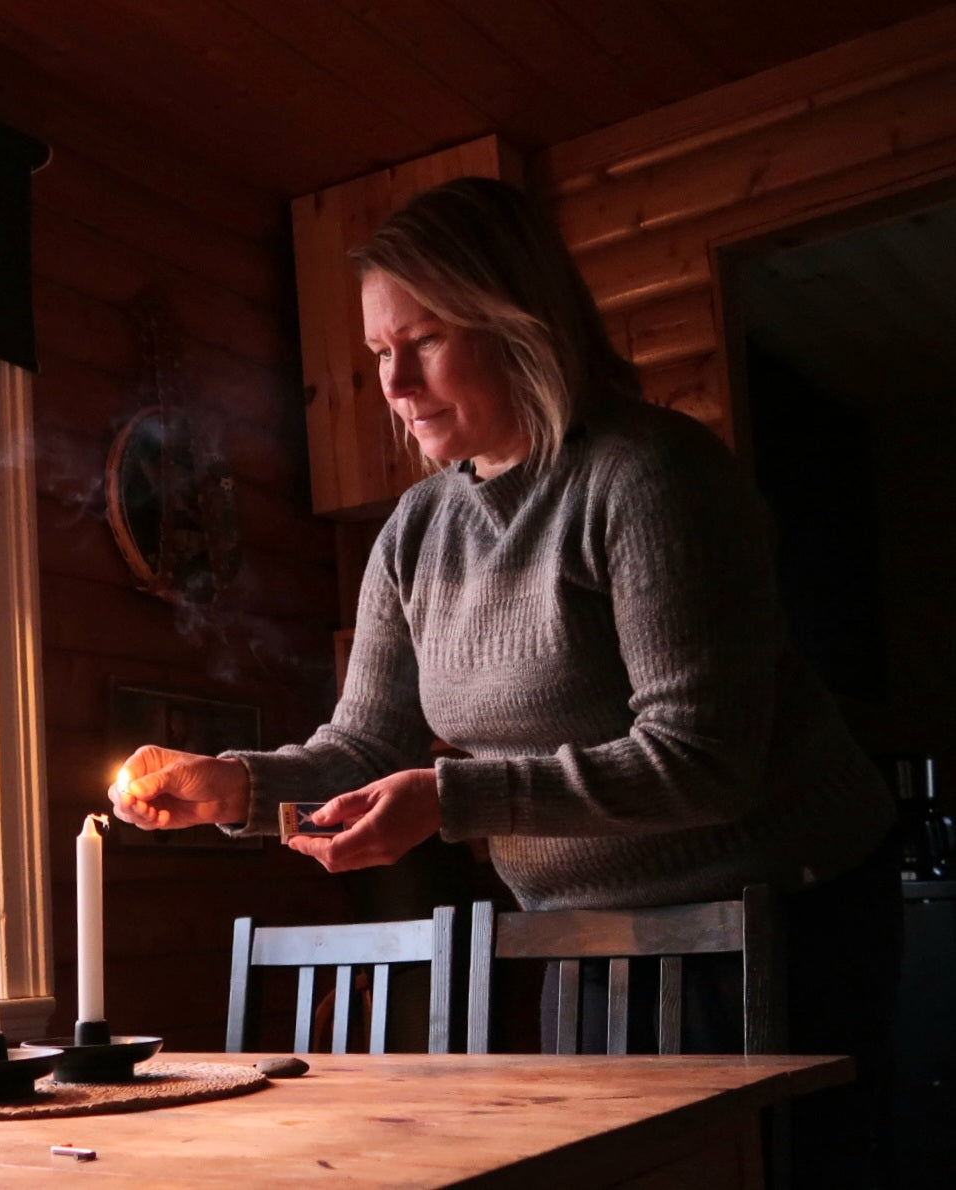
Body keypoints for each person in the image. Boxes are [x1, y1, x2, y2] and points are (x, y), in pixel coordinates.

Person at [108, 177, 902, 1188]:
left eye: (423, 338)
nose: (391, 383)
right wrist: (235, 783)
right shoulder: (414, 530)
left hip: (784, 911)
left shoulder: (649, 476)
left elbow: (702, 760)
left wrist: (451, 798)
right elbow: (364, 741)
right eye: (376, 352)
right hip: (584, 931)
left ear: (516, 318)